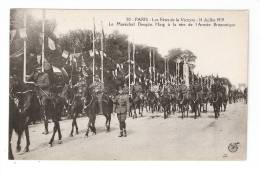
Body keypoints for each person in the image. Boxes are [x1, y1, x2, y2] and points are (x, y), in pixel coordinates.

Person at [28, 66, 51, 134]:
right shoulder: (36, 75)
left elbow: (47, 84)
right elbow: (28, 79)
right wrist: (33, 72)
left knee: (44, 110)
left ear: (42, 69)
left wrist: (39, 85)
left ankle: (46, 129)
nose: (38, 70)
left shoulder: (45, 75)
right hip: (38, 94)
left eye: (39, 69)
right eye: (37, 69)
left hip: (44, 93)